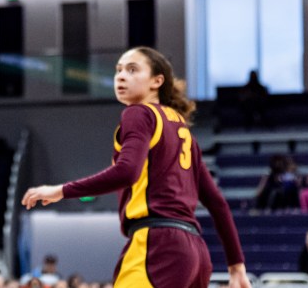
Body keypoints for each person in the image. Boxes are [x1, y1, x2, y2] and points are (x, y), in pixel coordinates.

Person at [22, 47, 251, 288]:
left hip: (157, 246)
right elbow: (217, 203)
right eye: (118, 71)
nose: (121, 76)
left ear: (157, 81)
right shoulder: (182, 130)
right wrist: (236, 267)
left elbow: (126, 172)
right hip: (194, 252)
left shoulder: (139, 114)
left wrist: (60, 190)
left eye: (132, 70)